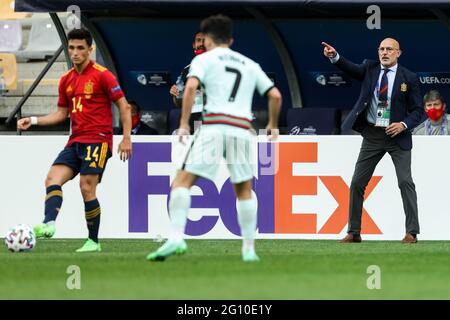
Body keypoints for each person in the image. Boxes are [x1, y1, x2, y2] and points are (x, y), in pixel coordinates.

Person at [147, 14, 282, 262]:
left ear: (207, 39)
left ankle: (177, 237)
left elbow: (189, 88)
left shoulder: (204, 60)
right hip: (242, 129)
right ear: (230, 39)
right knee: (244, 190)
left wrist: (184, 123)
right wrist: (273, 125)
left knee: (181, 182)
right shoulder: (249, 63)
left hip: (213, 126)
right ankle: (249, 250)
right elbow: (275, 95)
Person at [17, 28, 132, 252]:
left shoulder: (102, 75)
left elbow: (123, 106)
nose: (75, 52)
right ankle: (49, 223)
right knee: (52, 178)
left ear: (90, 49)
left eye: (81, 48)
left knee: (86, 187)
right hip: (75, 140)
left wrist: (126, 138)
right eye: (71, 48)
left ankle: (93, 241)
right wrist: (33, 120)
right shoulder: (66, 80)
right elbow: (61, 114)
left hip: (98, 139)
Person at [322, 38, 424, 243]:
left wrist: (403, 124)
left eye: (389, 49)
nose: (384, 52)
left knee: (405, 182)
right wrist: (335, 57)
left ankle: (411, 232)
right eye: (381, 49)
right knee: (357, 182)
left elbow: (418, 111)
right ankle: (354, 232)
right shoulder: (370, 68)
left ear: (398, 53)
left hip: (398, 136)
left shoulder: (409, 78)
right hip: (373, 135)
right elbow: (351, 68)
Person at [169, 31, 206, 133]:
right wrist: (175, 93)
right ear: (194, 45)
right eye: (198, 41)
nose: (201, 44)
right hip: (193, 120)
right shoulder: (186, 70)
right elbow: (178, 100)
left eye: (205, 40)